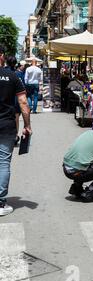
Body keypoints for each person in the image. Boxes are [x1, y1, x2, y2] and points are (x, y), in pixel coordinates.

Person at [0, 46, 33, 216]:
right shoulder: (12, 76)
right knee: (3, 162)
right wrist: (27, 125)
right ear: (1, 56)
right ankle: (0, 202)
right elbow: (23, 103)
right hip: (6, 125)